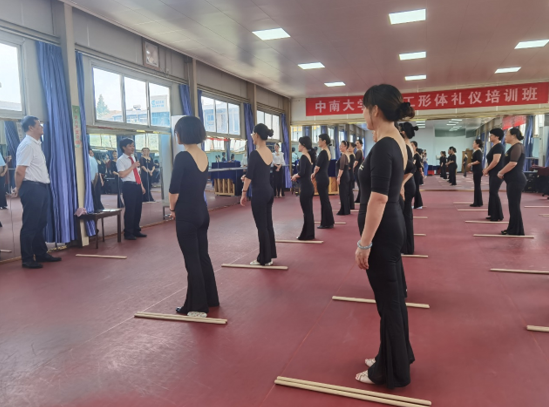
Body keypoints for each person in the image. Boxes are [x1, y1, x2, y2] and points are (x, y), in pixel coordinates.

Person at [355, 84, 414, 388]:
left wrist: (364, 243)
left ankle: (390, 371)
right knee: (392, 299)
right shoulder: (397, 141)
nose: (363, 114)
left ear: (375, 110)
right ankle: (393, 356)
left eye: (364, 108)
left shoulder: (384, 146)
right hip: (391, 225)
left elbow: (377, 199)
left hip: (382, 230)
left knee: (388, 302)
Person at [169, 116, 219, 318]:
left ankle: (197, 306)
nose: (176, 135)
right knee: (203, 256)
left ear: (183, 133)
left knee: (192, 260)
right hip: (201, 212)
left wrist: (172, 209)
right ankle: (211, 298)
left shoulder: (182, 157)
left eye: (177, 132)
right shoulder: (203, 155)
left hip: (187, 213)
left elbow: (174, 189)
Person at [14, 116, 61, 269]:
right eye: (39, 125)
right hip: (31, 187)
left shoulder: (36, 144)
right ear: (31, 128)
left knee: (40, 223)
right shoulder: (27, 145)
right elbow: (20, 170)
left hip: (41, 187)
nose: (42, 127)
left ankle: (41, 253)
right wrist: (19, 188)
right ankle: (27, 259)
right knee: (30, 225)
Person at [240, 123, 277, 266]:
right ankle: (270, 255)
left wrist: (244, 193)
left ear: (257, 135)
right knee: (268, 225)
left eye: (252, 135)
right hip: (268, 191)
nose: (252, 138)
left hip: (259, 193)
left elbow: (250, 175)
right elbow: (259, 173)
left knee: (261, 226)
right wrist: (247, 178)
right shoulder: (269, 152)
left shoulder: (255, 153)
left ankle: (264, 258)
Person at [117, 138, 147, 240]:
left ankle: (136, 230)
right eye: (130, 146)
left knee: (138, 209)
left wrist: (141, 185)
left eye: (133, 145)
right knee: (130, 210)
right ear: (123, 147)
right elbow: (122, 174)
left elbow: (137, 173)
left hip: (137, 185)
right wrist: (133, 166)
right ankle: (128, 232)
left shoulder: (133, 157)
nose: (132, 148)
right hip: (128, 186)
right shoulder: (120, 160)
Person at [498, 127, 526, 235]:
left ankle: (516, 230)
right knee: (513, 206)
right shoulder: (515, 147)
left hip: (516, 179)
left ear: (513, 136)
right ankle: (513, 228)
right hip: (513, 180)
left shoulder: (517, 146)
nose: (505, 137)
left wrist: (501, 172)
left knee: (514, 206)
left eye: (507, 134)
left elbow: (513, 163)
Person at [291, 137, 316, 240]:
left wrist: (294, 176)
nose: (298, 146)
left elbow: (302, 172)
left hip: (305, 187)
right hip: (308, 186)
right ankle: (309, 233)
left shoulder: (303, 157)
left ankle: (307, 234)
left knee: (306, 212)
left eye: (299, 144)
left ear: (303, 145)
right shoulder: (308, 156)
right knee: (308, 212)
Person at [399, 123, 418, 255]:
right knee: (406, 216)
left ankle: (407, 248)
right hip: (407, 184)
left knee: (405, 217)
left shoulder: (406, 146)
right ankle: (406, 247)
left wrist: (401, 184)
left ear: (403, 132)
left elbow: (412, 169)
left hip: (407, 185)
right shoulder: (408, 145)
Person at [312, 133, 335, 229]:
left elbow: (317, 167)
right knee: (325, 200)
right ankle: (328, 221)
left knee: (324, 201)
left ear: (324, 141)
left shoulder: (323, 153)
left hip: (321, 178)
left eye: (319, 140)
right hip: (324, 177)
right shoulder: (327, 151)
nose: (318, 142)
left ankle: (326, 222)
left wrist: (313, 174)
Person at [483, 128, 505, 221]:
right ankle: (494, 214)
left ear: (497, 137)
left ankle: (497, 215)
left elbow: (496, 161)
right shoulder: (494, 146)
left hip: (497, 173)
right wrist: (487, 169)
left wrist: (487, 169)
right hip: (493, 172)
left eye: (492, 135)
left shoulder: (499, 147)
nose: (490, 136)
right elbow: (490, 160)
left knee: (494, 192)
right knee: (492, 192)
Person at [468, 139, 484, 207]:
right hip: (476, 170)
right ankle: (478, 202)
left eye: (474, 143)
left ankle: (477, 202)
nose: (473, 144)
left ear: (477, 144)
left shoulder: (478, 152)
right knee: (477, 186)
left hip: (478, 170)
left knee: (477, 186)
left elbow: (479, 161)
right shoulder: (476, 151)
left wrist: (471, 163)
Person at [336, 141, 351, 216]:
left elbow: (341, 168)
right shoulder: (347, 155)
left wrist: (338, 177)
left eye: (342, 146)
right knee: (345, 193)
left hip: (343, 176)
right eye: (340, 145)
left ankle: (344, 210)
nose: (340, 147)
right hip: (346, 176)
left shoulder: (343, 156)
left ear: (346, 147)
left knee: (343, 194)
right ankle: (346, 209)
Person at [411, 141, 423, 209]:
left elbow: (419, 166)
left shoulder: (416, 155)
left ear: (416, 147)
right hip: (413, 173)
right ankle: (416, 204)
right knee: (414, 189)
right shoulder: (412, 154)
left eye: (412, 145)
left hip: (416, 173)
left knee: (416, 189)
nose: (411, 146)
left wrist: (421, 172)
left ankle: (419, 204)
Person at [354, 139, 364, 204]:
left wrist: (352, 168)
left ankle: (360, 199)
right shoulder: (361, 151)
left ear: (361, 144)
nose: (356, 144)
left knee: (359, 185)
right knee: (360, 185)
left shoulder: (359, 152)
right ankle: (359, 198)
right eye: (356, 143)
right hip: (359, 169)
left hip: (357, 169)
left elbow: (356, 162)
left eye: (358, 143)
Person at [347, 142, 356, 210]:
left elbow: (350, 166)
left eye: (351, 147)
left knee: (349, 191)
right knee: (349, 191)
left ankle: (351, 205)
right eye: (348, 146)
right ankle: (350, 205)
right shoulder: (348, 155)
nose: (349, 148)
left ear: (353, 148)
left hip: (350, 174)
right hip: (348, 173)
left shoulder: (352, 156)